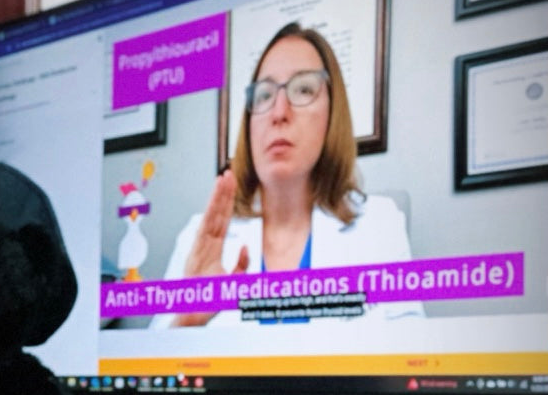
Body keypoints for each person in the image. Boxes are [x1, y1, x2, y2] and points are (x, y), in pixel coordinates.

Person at [153, 21, 420, 327]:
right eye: (264, 95)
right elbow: (147, 374)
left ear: (333, 116)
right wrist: (186, 321)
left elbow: (412, 363)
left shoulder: (380, 225)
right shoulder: (197, 237)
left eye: (303, 89)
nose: (279, 112)